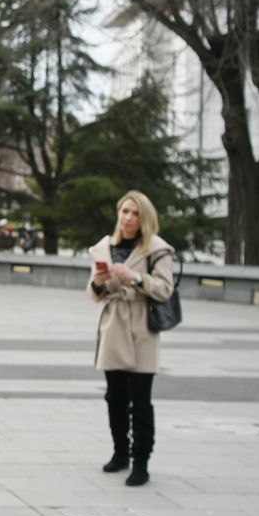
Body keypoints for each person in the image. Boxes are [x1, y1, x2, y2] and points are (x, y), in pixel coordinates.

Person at [87, 190, 178, 486]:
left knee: (140, 399)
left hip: (141, 327)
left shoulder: (157, 249)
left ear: (144, 218)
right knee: (115, 396)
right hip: (113, 324)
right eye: (124, 211)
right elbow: (94, 293)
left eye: (134, 213)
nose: (127, 218)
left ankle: (141, 462)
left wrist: (135, 277)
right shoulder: (104, 247)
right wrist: (100, 283)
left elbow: (165, 289)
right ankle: (119, 453)